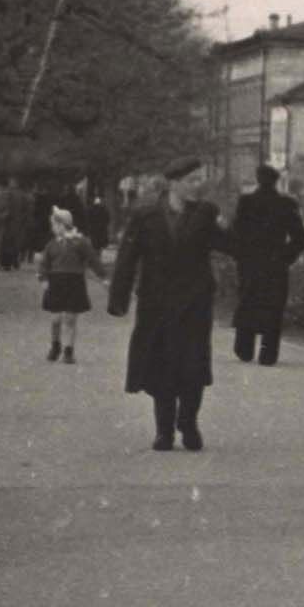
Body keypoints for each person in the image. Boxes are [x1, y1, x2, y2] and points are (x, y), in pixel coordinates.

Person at [107, 157, 228, 451]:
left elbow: (230, 244)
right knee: (162, 365)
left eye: (199, 179)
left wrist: (239, 230)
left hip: (194, 302)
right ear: (174, 183)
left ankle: (188, 422)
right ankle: (164, 430)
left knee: (193, 365)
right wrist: (119, 298)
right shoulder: (145, 215)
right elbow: (128, 257)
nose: (198, 185)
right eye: (192, 180)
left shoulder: (206, 214)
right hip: (156, 303)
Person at [230, 163, 304, 366]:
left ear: (258, 179)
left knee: (247, 302)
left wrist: (240, 256)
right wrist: (286, 257)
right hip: (275, 265)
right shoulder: (286, 204)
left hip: (250, 263)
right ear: (276, 181)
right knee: (273, 308)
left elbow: (235, 233)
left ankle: (244, 348)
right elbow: (300, 238)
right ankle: (268, 354)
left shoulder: (246, 202)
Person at [37, 204, 107, 363]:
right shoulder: (52, 244)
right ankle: (55, 345)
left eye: (54, 225)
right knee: (55, 319)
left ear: (62, 225)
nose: (53, 228)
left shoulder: (80, 242)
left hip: (74, 282)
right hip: (56, 282)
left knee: (70, 318)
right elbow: (44, 263)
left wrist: (103, 276)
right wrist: (43, 278)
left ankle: (69, 350)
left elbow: (93, 259)